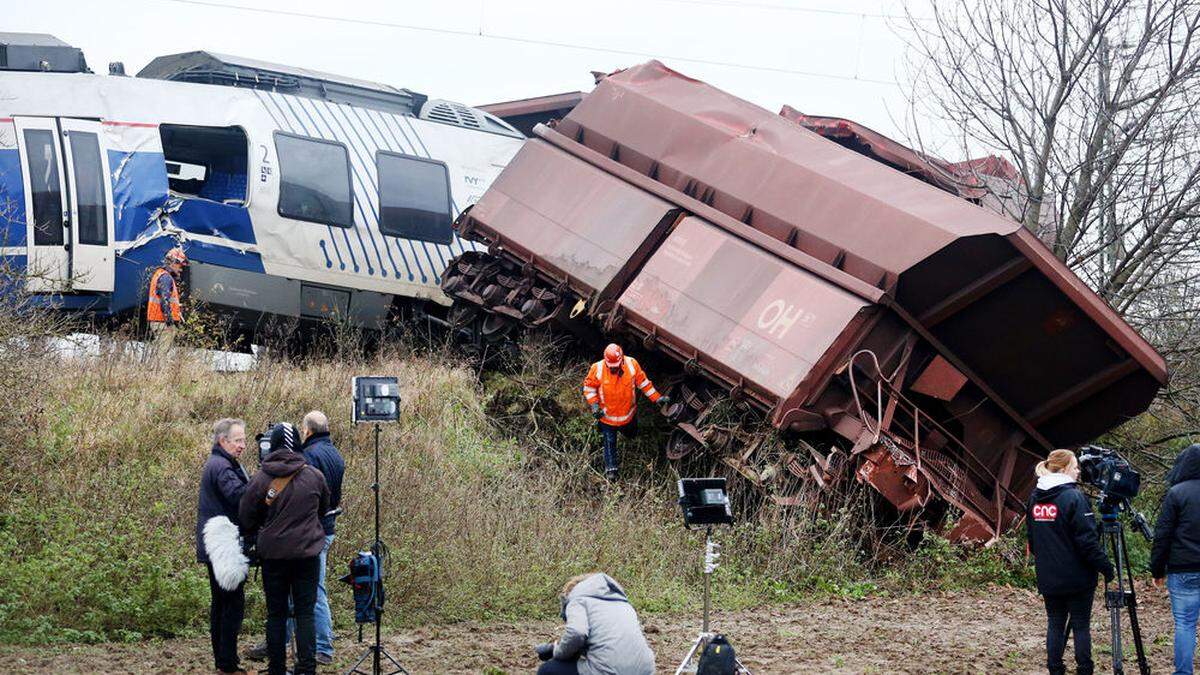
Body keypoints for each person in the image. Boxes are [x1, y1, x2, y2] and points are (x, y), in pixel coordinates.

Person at [248, 411, 345, 665]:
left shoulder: (308, 461)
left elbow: (248, 513)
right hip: (316, 535)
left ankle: (317, 649)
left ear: (308, 431)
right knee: (306, 602)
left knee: (295, 605)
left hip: (298, 539)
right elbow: (325, 500)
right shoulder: (335, 455)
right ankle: (307, 663)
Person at [1026, 448, 1114, 675]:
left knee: (1055, 623)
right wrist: (1106, 567)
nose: (1078, 472)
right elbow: (1088, 543)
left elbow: (1033, 540)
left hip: (1049, 577)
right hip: (1077, 578)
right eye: (1075, 467)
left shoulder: (1035, 497)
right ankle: (1085, 668)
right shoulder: (1074, 497)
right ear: (1064, 468)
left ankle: (1055, 669)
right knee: (1081, 624)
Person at [195, 418, 251, 675]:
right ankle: (227, 664)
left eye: (243, 440)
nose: (243, 445)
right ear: (223, 441)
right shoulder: (223, 468)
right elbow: (240, 498)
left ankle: (223, 661)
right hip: (223, 546)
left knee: (220, 604)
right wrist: (260, 491)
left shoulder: (217, 463)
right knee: (231, 605)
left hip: (214, 545)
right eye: (237, 440)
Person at [534, 572, 655, 675]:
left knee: (547, 670)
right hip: (646, 669)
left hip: (610, 669)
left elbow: (576, 634)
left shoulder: (577, 599)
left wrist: (556, 651)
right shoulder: (624, 604)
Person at [581, 343, 669, 480]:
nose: (613, 370)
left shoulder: (632, 364)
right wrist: (594, 406)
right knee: (609, 441)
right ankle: (611, 471)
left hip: (628, 416)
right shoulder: (597, 368)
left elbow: (644, 383)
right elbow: (589, 388)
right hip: (607, 417)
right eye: (611, 368)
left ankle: (630, 437)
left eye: (616, 367)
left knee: (632, 435)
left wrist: (656, 398)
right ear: (605, 361)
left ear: (621, 360)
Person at [1151, 444, 1200, 675]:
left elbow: (1163, 536)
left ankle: (1183, 672)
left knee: (1185, 624)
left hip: (1183, 568)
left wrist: (1157, 570)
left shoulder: (1176, 493)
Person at [147, 246, 187, 344]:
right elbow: (164, 301)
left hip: (159, 321)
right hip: (162, 323)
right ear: (173, 263)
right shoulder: (165, 278)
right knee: (162, 356)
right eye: (180, 266)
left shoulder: (161, 274)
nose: (181, 270)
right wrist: (170, 323)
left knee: (160, 354)